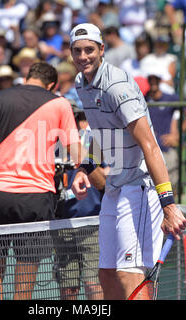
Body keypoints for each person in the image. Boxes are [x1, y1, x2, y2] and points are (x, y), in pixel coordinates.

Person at [69, 23, 186, 300]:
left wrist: (168, 205)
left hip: (140, 186)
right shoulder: (81, 83)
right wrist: (85, 167)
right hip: (115, 185)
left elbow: (150, 145)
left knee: (129, 273)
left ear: (102, 50)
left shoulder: (118, 86)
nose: (83, 56)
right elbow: (103, 131)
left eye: (89, 50)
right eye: (77, 51)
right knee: (107, 273)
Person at [0, 62, 84, 300]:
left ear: (27, 76)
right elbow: (76, 152)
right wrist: (83, 172)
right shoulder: (59, 103)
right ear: (52, 84)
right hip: (36, 199)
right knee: (23, 289)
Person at [53, 105, 105, 300]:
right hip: (64, 225)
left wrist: (84, 160)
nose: (75, 124)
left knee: (93, 283)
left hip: (92, 223)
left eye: (78, 118)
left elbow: (107, 177)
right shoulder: (51, 145)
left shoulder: (95, 142)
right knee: (68, 288)